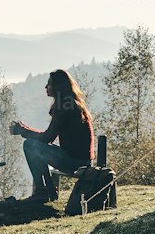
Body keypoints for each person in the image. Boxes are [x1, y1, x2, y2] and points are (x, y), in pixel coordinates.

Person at [11, 68, 94, 202]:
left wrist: (23, 131)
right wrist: (24, 129)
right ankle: (48, 191)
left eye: (49, 84)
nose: (46, 87)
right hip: (82, 160)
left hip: (74, 161)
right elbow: (48, 138)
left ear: (57, 87)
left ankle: (42, 191)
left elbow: (47, 138)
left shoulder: (63, 106)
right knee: (36, 147)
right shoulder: (71, 103)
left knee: (30, 145)